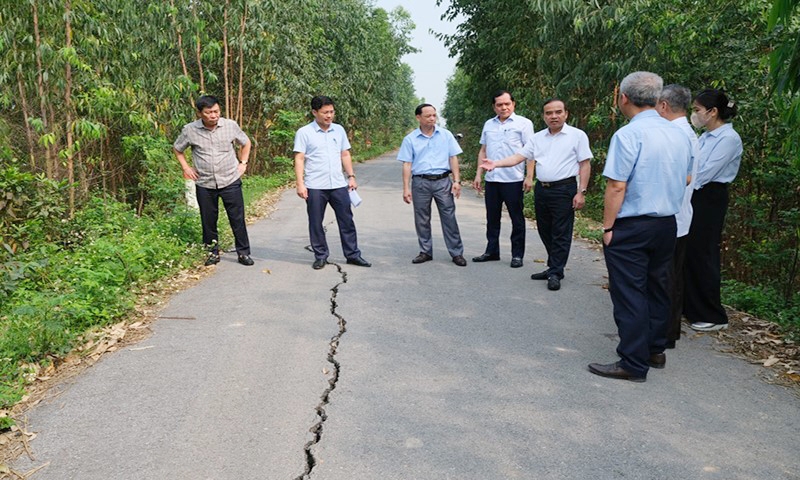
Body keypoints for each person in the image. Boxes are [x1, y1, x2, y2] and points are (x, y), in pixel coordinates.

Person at [588, 72, 692, 382]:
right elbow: (687, 177)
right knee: (657, 286)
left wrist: (608, 227)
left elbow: (616, 186)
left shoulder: (628, 135)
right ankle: (654, 349)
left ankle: (632, 363)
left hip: (633, 225)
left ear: (622, 98)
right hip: (666, 224)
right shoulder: (680, 134)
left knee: (630, 292)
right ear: (658, 99)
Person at [482, 98, 592, 290]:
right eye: (549, 113)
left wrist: (581, 191)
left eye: (558, 112)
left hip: (564, 189)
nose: (553, 116)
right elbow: (519, 156)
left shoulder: (577, 135)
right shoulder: (537, 138)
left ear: (566, 114)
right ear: (544, 116)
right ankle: (554, 266)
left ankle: (555, 272)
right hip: (543, 189)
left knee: (561, 232)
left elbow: (585, 164)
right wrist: (496, 163)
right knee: (544, 229)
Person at [683, 89, 743, 332]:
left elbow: (704, 173)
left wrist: (680, 180)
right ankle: (691, 307)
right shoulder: (706, 136)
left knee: (704, 252)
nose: (694, 115)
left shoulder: (728, 139)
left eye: (697, 110)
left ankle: (713, 314)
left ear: (713, 111)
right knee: (689, 250)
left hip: (710, 196)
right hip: (695, 194)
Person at [173, 95, 254, 267]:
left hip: (230, 180)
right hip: (205, 183)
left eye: (216, 111)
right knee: (208, 220)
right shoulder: (190, 130)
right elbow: (178, 149)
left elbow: (246, 143)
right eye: (209, 113)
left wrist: (243, 163)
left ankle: (243, 253)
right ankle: (212, 252)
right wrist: (186, 168)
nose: (213, 115)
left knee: (237, 218)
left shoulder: (230, 126)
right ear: (200, 113)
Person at [293, 95, 371, 270]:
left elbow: (345, 154)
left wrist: (351, 176)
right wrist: (300, 183)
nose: (329, 116)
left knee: (347, 221)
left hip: (338, 184)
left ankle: (352, 254)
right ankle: (320, 256)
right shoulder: (304, 132)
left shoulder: (339, 130)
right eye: (325, 112)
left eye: (332, 112)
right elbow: (299, 158)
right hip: (315, 186)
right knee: (315, 221)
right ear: (315, 112)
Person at [656, 84, 699, 348]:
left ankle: (664, 334)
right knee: (672, 277)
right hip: (679, 216)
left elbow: (682, 179)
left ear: (663, 105)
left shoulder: (677, 136)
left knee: (666, 278)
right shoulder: (687, 134)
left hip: (672, 217)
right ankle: (668, 332)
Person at [471, 90, 534, 268]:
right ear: (494, 107)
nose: (503, 107)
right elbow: (483, 150)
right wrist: (478, 173)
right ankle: (492, 251)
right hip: (492, 179)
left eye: (507, 103)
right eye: (499, 104)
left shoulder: (524, 124)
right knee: (492, 218)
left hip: (513, 179)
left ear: (513, 104)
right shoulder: (489, 125)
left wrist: (529, 176)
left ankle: (517, 255)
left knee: (517, 218)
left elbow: (530, 152)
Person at [398, 103, 467, 266]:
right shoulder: (410, 139)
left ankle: (457, 253)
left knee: (449, 216)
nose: (432, 118)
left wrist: (456, 181)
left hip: (443, 181)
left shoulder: (446, 135)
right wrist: (406, 188)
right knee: (422, 218)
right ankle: (425, 251)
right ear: (418, 118)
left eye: (434, 115)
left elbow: (453, 158)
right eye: (428, 115)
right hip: (420, 182)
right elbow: (407, 164)